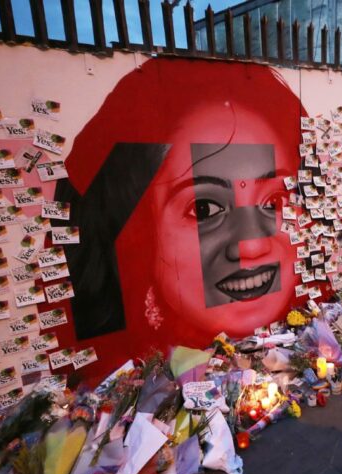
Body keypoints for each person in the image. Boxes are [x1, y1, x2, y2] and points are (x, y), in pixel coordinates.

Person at [51, 58, 306, 378]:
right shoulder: (129, 392)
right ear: (139, 235)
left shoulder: (308, 343)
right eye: (204, 209)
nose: (252, 245)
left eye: (273, 202)